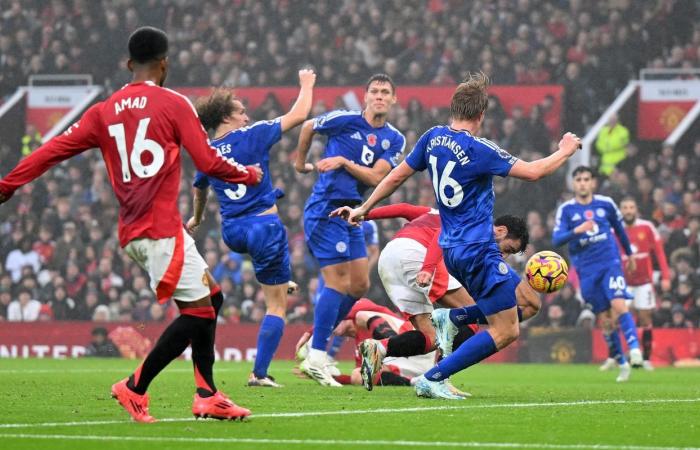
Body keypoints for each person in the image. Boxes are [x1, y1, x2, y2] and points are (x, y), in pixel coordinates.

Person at [0, 26, 262, 422]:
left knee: (213, 298)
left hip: (136, 231)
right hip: (159, 229)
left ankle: (208, 393)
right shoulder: (174, 104)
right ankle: (135, 387)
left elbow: (52, 149)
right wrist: (249, 175)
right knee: (199, 313)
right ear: (165, 63)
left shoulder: (102, 111)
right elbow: (208, 163)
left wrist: (8, 184)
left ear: (129, 64)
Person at [332, 72, 581, 399]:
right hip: (477, 248)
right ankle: (434, 375)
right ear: (481, 115)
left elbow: (395, 178)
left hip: (451, 252)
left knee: (513, 304)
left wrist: (364, 208)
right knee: (508, 328)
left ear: (454, 109)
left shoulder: (431, 138)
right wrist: (564, 150)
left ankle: (452, 319)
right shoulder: (480, 149)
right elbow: (534, 172)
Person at [186, 69, 316, 388]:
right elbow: (300, 113)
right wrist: (306, 84)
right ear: (226, 117)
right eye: (241, 111)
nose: (247, 116)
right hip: (263, 227)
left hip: (233, 233)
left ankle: (280, 279)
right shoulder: (253, 135)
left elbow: (199, 188)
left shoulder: (206, 151)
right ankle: (259, 373)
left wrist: (197, 219)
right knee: (276, 306)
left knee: (275, 282)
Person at [294, 73, 406, 386]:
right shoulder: (344, 120)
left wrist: (343, 160)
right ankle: (317, 355)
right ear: (366, 96)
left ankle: (315, 345)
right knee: (338, 281)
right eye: (375, 91)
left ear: (393, 99)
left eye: (386, 92)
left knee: (359, 286)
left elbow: (375, 178)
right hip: (326, 208)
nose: (380, 96)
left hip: (353, 212)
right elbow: (307, 127)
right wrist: (300, 163)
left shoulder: (394, 138)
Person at [358, 203, 539, 390]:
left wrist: (364, 215)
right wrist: (428, 268)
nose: (504, 256)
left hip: (389, 258)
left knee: (431, 337)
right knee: (467, 318)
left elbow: (403, 208)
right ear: (500, 230)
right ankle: (438, 379)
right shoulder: (475, 224)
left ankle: (380, 349)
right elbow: (441, 234)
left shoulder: (435, 213)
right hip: (418, 254)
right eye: (507, 249)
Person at [553, 166, 642, 382]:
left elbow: (620, 230)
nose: (583, 183)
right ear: (573, 184)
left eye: (586, 179)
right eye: (579, 179)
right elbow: (556, 240)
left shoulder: (606, 203)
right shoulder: (566, 210)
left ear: (593, 182)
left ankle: (635, 350)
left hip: (610, 262)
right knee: (606, 320)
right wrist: (577, 230)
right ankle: (621, 362)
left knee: (619, 305)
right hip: (586, 270)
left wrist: (629, 255)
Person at [607, 196, 670, 371]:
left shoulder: (647, 227)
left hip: (644, 282)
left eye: (631, 207)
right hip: (622, 282)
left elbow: (659, 252)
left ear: (636, 210)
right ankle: (615, 357)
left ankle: (646, 359)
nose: (628, 211)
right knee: (615, 317)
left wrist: (666, 276)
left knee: (645, 318)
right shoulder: (614, 230)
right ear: (621, 211)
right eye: (625, 207)